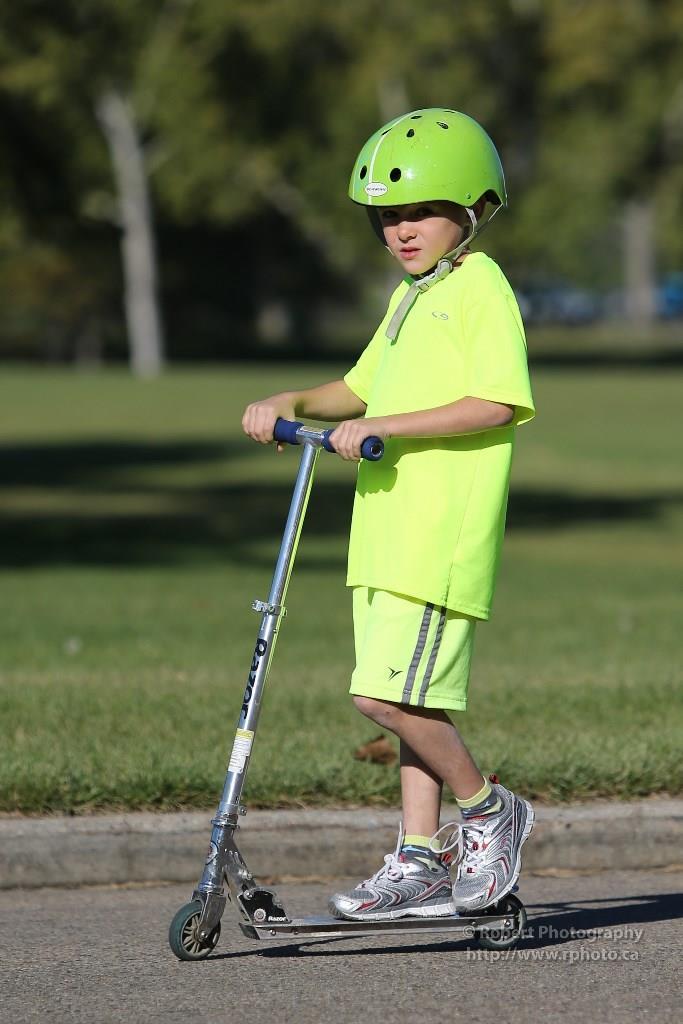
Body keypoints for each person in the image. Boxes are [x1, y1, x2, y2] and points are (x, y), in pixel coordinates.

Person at [242, 108, 535, 922]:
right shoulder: (412, 295)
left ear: (470, 209)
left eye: (419, 212)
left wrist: (379, 429)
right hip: (386, 533)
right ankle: (418, 855)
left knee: (381, 697)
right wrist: (292, 400)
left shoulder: (479, 287)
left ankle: (487, 811)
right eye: (386, 217)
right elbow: (360, 388)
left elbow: (493, 401)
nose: (400, 231)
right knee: (410, 698)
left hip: (438, 534)